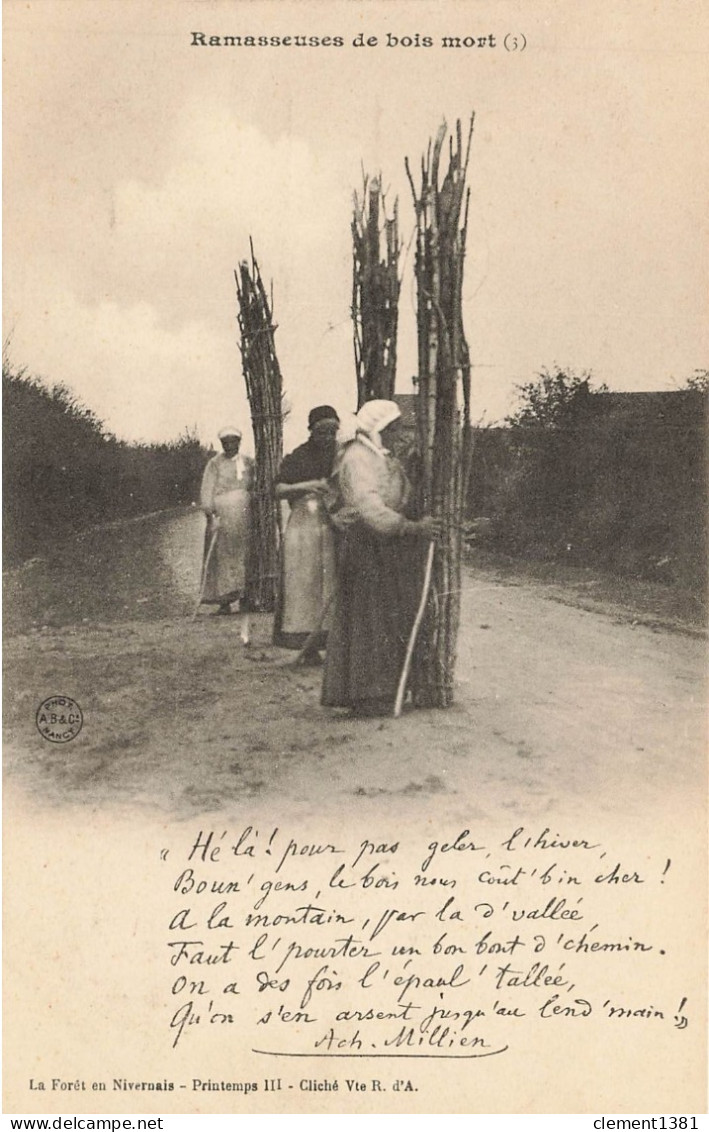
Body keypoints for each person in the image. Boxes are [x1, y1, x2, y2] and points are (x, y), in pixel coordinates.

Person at [322, 399, 440, 716]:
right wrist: (410, 527)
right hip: (367, 547)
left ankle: (384, 688)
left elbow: (398, 493)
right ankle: (365, 692)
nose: (398, 433)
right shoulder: (357, 458)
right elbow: (369, 508)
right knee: (368, 617)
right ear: (378, 429)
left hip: (385, 547)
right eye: (393, 428)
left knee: (387, 615)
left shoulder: (380, 457)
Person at [274, 405, 340, 664]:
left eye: (332, 431)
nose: (327, 437)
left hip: (333, 523)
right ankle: (307, 644)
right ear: (311, 430)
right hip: (304, 524)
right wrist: (308, 486)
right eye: (322, 431)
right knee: (305, 583)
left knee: (331, 582)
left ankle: (333, 643)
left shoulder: (342, 453)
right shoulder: (299, 456)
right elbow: (278, 488)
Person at [199, 427, 252, 642]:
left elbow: (254, 484)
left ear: (239, 442)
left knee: (243, 554)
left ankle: (245, 598)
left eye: (234, 442)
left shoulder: (248, 462)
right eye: (226, 442)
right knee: (223, 556)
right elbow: (207, 488)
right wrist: (210, 511)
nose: (230, 446)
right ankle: (224, 601)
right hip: (223, 513)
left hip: (244, 513)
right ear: (222, 444)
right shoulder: (215, 464)